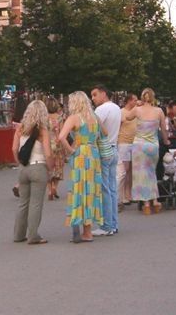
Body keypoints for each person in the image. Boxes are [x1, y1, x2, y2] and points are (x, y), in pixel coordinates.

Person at [58, 91, 104, 243]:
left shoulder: (74, 118)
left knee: (79, 190)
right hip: (93, 153)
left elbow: (61, 137)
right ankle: (88, 231)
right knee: (91, 191)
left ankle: (78, 222)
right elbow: (105, 133)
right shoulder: (94, 118)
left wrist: (71, 150)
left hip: (81, 155)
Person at [12, 100, 54, 244]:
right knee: (36, 203)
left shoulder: (21, 128)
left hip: (24, 169)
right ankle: (33, 235)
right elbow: (48, 154)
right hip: (38, 167)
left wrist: (20, 163)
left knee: (23, 202)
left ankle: (18, 234)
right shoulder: (42, 130)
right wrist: (50, 168)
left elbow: (14, 149)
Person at [125, 88, 170, 215]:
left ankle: (146, 204)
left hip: (139, 145)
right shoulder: (159, 111)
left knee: (141, 174)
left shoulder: (137, 110)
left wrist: (137, 104)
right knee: (151, 173)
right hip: (152, 145)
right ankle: (155, 201)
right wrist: (166, 141)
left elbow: (128, 117)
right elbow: (163, 129)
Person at [90, 85, 121, 236]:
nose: (93, 98)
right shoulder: (116, 108)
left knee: (104, 189)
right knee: (112, 188)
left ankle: (107, 225)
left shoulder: (101, 110)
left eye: (95, 95)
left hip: (103, 149)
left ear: (103, 93)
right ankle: (113, 223)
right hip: (114, 147)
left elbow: (93, 130)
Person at [117, 93, 138, 209]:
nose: (136, 102)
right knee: (124, 169)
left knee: (132, 170)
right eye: (134, 100)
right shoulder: (122, 112)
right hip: (124, 142)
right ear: (129, 101)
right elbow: (118, 126)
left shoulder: (136, 112)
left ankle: (129, 193)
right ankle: (123, 195)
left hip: (134, 142)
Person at [45, 97, 66, 200]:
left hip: (47, 145)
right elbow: (62, 133)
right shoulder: (60, 118)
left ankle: (49, 189)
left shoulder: (44, 118)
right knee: (58, 167)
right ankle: (55, 187)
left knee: (48, 168)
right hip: (58, 145)